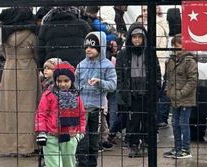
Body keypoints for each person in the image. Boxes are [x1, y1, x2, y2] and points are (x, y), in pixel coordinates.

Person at [0, 7, 40, 157]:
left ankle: (8, 145)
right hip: (28, 69)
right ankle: (26, 146)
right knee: (28, 109)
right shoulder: (32, 35)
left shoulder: (4, 33)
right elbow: (37, 53)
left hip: (9, 69)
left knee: (8, 108)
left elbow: (2, 52)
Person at [116, 24, 161, 158]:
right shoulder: (123, 54)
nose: (136, 40)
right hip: (131, 92)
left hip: (147, 91)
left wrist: (156, 88)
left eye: (139, 37)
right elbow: (119, 75)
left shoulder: (150, 53)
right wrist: (124, 91)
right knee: (133, 121)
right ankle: (134, 145)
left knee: (148, 120)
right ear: (130, 38)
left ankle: (147, 144)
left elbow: (157, 72)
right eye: (134, 37)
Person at [75, 31, 117, 167]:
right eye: (86, 46)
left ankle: (92, 164)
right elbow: (75, 85)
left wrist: (100, 82)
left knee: (94, 142)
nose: (88, 49)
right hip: (81, 109)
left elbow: (112, 85)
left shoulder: (108, 65)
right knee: (82, 141)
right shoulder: (81, 65)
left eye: (93, 47)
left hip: (96, 109)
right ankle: (82, 164)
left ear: (101, 48)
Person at [36, 62, 87, 167]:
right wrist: (41, 132)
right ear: (55, 81)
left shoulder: (77, 97)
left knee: (69, 163)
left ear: (71, 81)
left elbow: (82, 115)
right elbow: (41, 114)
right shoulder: (48, 95)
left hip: (70, 135)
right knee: (53, 164)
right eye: (59, 81)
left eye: (66, 81)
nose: (63, 84)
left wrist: (80, 133)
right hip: (51, 135)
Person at [163, 34, 198, 160]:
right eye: (176, 47)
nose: (178, 50)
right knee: (175, 123)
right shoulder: (172, 60)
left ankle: (185, 148)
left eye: (180, 47)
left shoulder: (190, 61)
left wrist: (181, 93)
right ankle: (177, 148)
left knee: (183, 123)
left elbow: (193, 81)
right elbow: (168, 78)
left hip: (185, 98)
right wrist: (168, 91)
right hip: (174, 97)